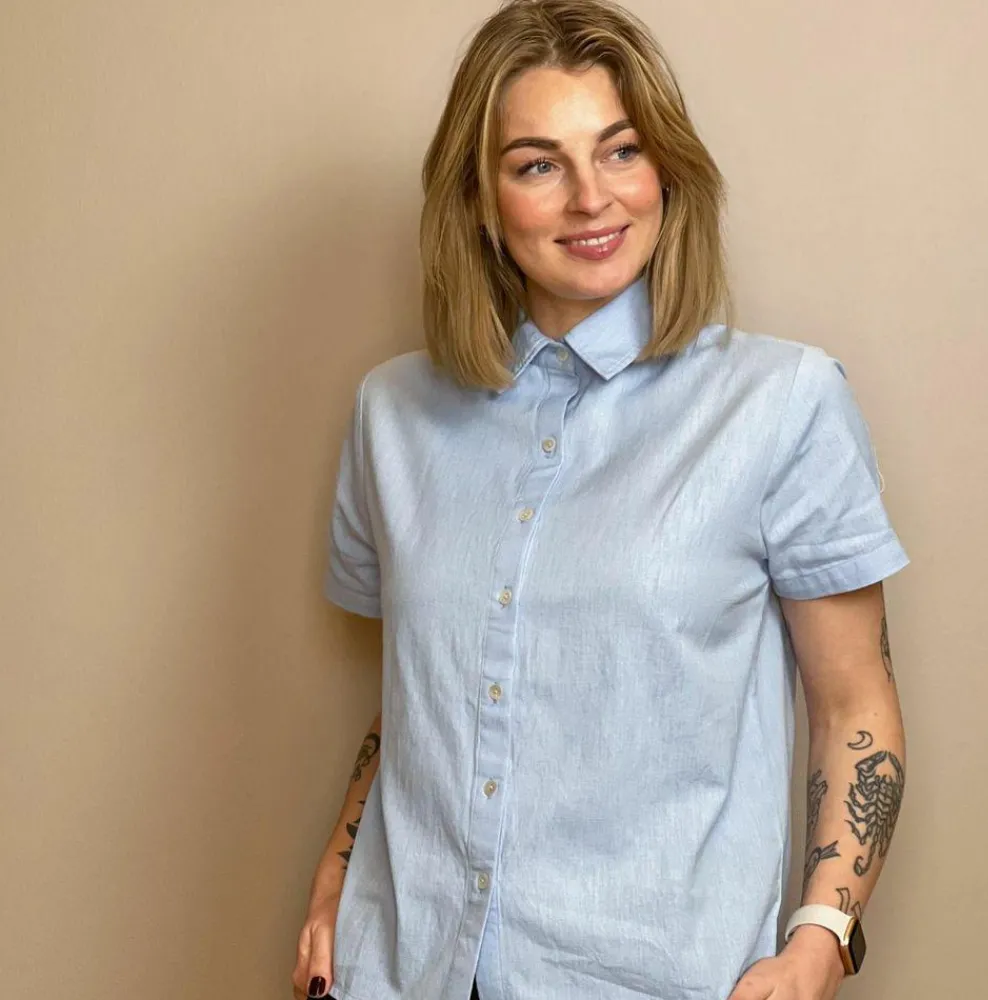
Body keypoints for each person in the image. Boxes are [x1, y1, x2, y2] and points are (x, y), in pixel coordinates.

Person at [292, 1, 910, 998]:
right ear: (480, 199)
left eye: (621, 151)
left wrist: (818, 943)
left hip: (652, 975)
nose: (591, 198)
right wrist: (334, 877)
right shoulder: (391, 413)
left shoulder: (782, 403)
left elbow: (852, 702)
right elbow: (424, 693)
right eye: (538, 164)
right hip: (398, 968)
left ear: (667, 170)